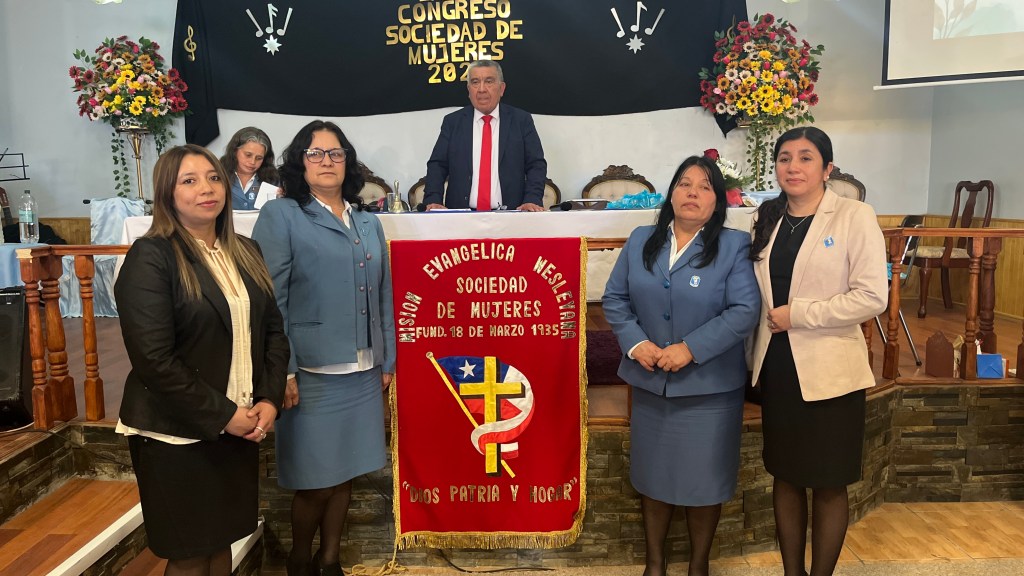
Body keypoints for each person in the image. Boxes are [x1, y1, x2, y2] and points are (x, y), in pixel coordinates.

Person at [114, 144, 288, 576]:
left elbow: (272, 332)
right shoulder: (152, 256)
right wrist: (225, 415)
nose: (206, 189)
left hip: (238, 423)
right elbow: (154, 359)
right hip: (176, 431)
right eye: (189, 181)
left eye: (213, 178)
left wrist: (269, 398)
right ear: (167, 194)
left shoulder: (245, 251)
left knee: (220, 541)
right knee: (190, 553)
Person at [603, 155, 760, 576]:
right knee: (653, 477)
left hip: (709, 387)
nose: (693, 193)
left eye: (705, 187)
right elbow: (615, 298)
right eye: (685, 184)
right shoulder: (642, 239)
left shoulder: (732, 246)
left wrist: (691, 348)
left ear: (717, 201)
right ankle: (654, 565)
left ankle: (698, 566)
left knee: (705, 482)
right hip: (651, 383)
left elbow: (745, 310)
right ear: (671, 193)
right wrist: (636, 343)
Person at [251, 120, 395, 576]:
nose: (327, 161)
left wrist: (387, 359)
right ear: (300, 162)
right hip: (311, 371)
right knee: (316, 481)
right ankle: (299, 561)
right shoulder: (282, 215)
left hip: (364, 369)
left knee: (346, 472)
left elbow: (384, 294)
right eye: (315, 153)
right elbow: (271, 299)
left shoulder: (368, 221)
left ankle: (329, 561)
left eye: (335, 153)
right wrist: (284, 370)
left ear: (347, 161)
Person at [748, 127, 887, 576]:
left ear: (827, 168)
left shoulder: (854, 215)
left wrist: (801, 314)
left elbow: (872, 297)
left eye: (805, 158)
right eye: (784, 158)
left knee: (828, 481)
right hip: (777, 364)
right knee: (786, 475)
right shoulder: (766, 217)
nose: (793, 167)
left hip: (831, 370)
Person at [424, 59, 547, 211]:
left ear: (501, 88)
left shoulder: (521, 121)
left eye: (489, 82)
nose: (481, 89)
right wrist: (433, 200)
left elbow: (536, 164)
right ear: (469, 89)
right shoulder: (453, 122)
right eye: (475, 82)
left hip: (511, 214)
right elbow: (437, 165)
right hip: (461, 216)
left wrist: (532, 199)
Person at [220, 126, 279, 210]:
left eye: (259, 158)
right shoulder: (219, 174)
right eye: (248, 155)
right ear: (234, 151)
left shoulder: (273, 180)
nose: (252, 162)